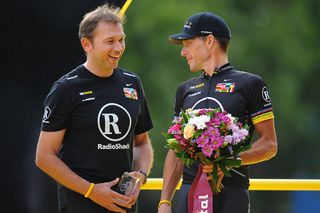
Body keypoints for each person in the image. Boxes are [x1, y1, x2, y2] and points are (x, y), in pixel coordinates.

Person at [35, 4, 154, 213]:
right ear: (86, 44)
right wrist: (92, 191)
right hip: (81, 205)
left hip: (124, 206)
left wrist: (140, 175)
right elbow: (44, 156)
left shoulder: (132, 83)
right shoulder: (66, 88)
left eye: (121, 39)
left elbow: (142, 143)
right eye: (110, 41)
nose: (118, 48)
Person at [158, 12, 277, 213]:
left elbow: (270, 145)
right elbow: (175, 150)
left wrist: (229, 162)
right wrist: (164, 202)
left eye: (187, 44)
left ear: (210, 41)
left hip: (231, 193)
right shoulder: (184, 89)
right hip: (188, 193)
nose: (183, 52)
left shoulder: (250, 84)